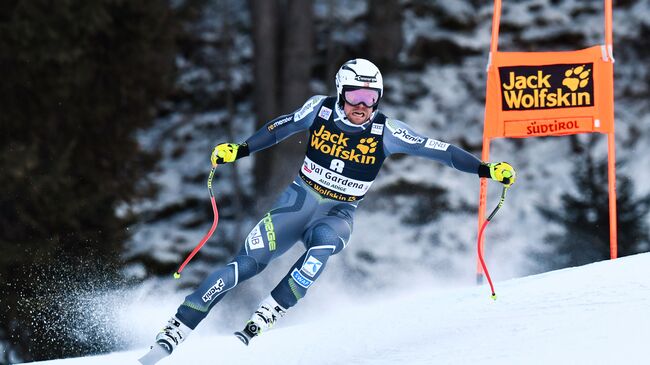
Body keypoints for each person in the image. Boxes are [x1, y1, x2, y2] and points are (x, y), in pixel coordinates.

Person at [138, 58, 516, 364]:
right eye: (354, 96)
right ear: (340, 92)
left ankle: (271, 310)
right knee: (245, 264)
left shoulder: (386, 131)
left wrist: (486, 169)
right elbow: (277, 129)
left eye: (371, 98)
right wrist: (239, 150)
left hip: (338, 214)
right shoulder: (318, 110)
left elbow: (442, 151)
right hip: (298, 202)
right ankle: (177, 328)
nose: (362, 107)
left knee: (321, 249)